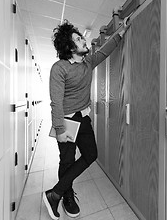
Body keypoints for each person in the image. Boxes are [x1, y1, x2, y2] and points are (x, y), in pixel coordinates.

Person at [43, 14, 129, 220]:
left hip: (83, 118)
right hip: (67, 121)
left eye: (82, 37)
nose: (83, 40)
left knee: (91, 154)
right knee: (67, 160)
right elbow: (55, 101)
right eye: (79, 39)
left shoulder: (87, 63)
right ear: (71, 48)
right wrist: (60, 130)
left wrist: (121, 32)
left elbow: (105, 51)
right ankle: (66, 195)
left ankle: (55, 193)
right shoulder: (59, 68)